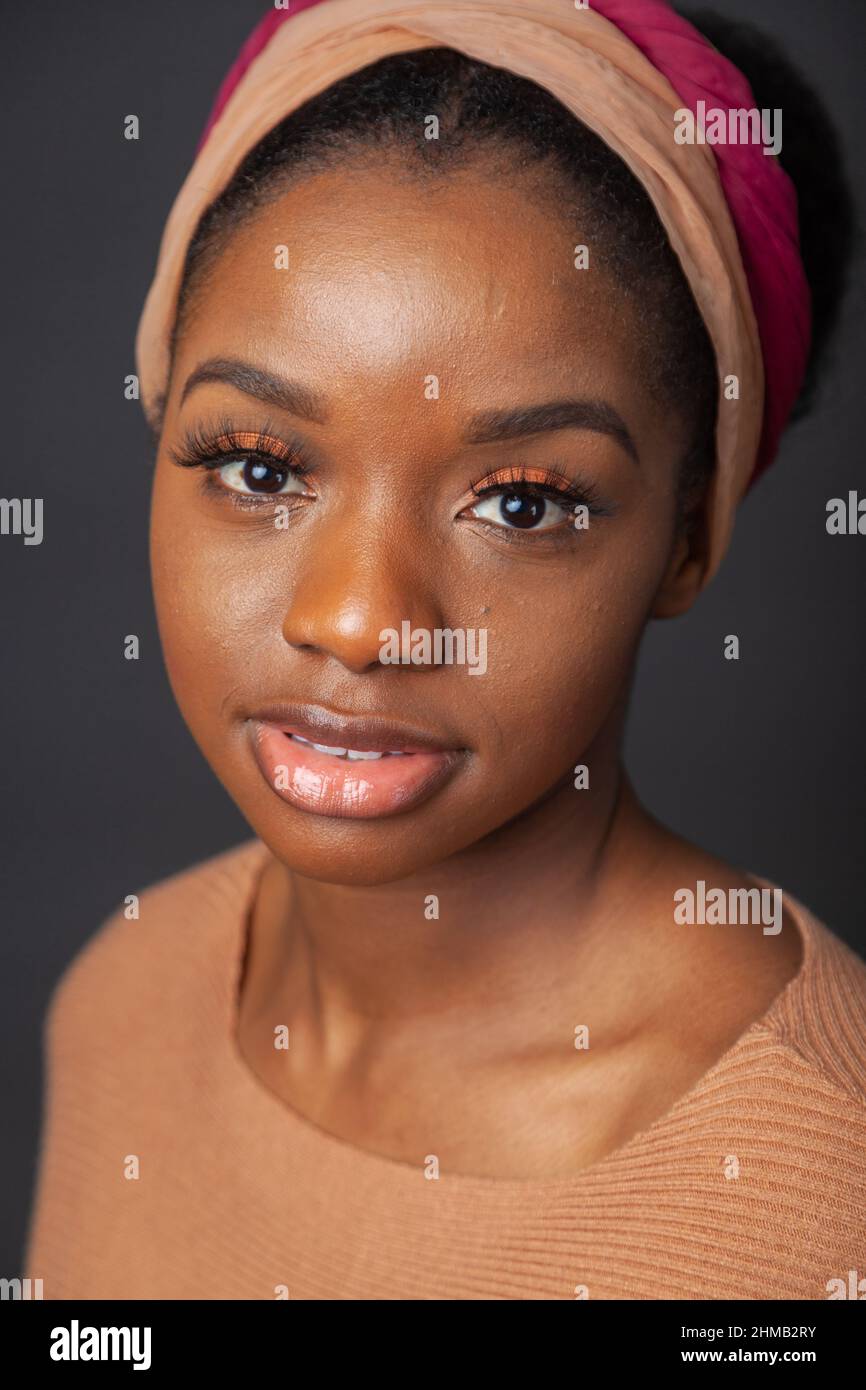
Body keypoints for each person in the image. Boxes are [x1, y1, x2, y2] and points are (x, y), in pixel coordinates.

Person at [23, 0, 866, 1300]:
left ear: (689, 540)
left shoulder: (821, 1188)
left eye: (523, 502)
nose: (359, 620)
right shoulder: (124, 995)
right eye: (256, 465)